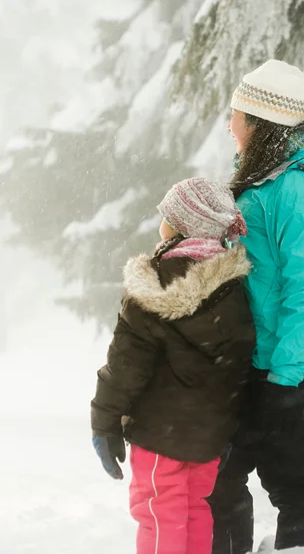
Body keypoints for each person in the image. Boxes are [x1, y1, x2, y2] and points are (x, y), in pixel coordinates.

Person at [91, 177, 256, 554]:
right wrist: (227, 429)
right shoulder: (233, 292)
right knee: (195, 509)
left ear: (181, 226)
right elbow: (236, 367)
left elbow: (125, 366)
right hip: (209, 436)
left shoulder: (153, 284)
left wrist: (104, 421)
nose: (160, 221)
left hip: (158, 434)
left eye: (166, 215)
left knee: (158, 512)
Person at [209, 59, 304, 554]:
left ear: (260, 122)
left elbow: (303, 287)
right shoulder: (261, 182)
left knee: (294, 491)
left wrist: (287, 381)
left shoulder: (293, 188)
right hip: (252, 364)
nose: (229, 126)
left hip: (282, 372)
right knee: (215, 479)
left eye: (236, 115)